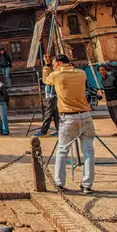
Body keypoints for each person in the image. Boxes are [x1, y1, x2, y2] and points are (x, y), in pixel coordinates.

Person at [43, 54, 95, 194]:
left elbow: (46, 80)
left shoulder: (57, 75)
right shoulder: (82, 73)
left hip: (68, 116)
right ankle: (87, 184)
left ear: (59, 63)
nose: (53, 66)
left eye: (54, 64)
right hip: (86, 115)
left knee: (62, 150)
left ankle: (59, 182)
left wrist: (47, 65)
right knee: (89, 151)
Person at [97, 64, 117, 138]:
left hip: (116, 99)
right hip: (109, 101)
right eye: (100, 70)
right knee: (113, 117)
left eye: (103, 70)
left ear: (106, 70)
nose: (102, 72)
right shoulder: (102, 80)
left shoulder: (113, 78)